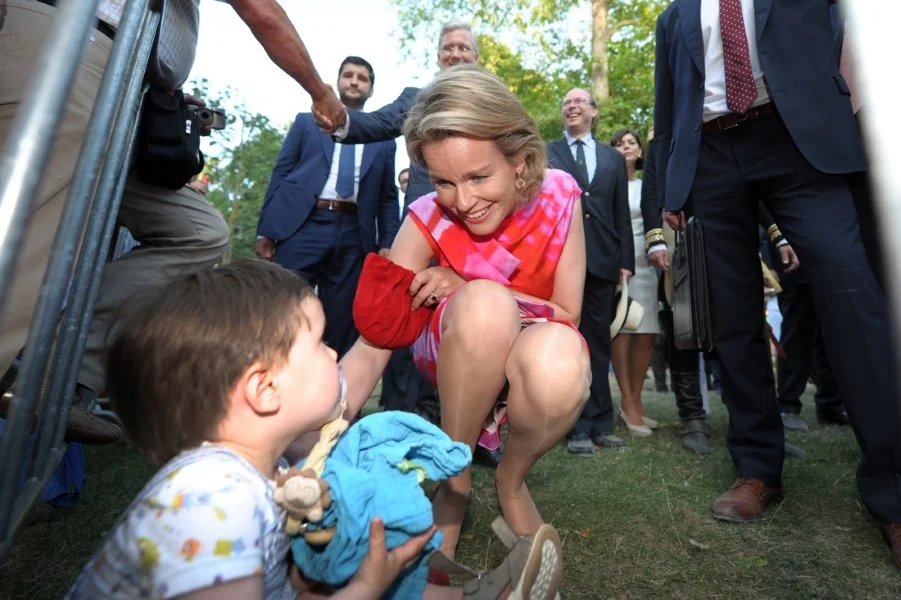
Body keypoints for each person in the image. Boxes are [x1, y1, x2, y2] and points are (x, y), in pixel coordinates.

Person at [65, 260, 563, 600]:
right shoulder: (213, 503)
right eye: (320, 342)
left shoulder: (256, 471)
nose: (331, 354)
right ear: (264, 390)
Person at [0, 0, 346, 444]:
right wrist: (320, 91)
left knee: (199, 232)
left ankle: (56, 367)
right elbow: (262, 13)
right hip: (72, 43)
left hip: (130, 87)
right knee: (25, 220)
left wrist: (163, 94)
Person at [653, 0, 901, 560]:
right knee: (734, 318)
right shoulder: (673, 18)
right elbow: (667, 111)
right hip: (709, 157)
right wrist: (669, 192)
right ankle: (757, 468)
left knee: (849, 293)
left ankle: (894, 489)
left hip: (800, 147)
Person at [382, 64, 589, 559]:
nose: (464, 201)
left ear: (519, 159)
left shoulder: (561, 195)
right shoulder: (428, 212)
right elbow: (382, 321)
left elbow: (567, 313)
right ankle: (452, 485)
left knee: (559, 362)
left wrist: (473, 279)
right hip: (457, 342)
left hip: (534, 339)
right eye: (444, 182)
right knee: (485, 307)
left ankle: (510, 480)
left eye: (478, 176)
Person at [320, 22, 504, 468]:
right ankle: (401, 418)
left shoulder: (492, 100)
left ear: (476, 57)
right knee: (404, 319)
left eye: (464, 47)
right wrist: (339, 117)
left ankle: (472, 430)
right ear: (438, 55)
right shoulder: (414, 97)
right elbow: (375, 123)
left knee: (477, 322)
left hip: (479, 231)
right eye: (449, 47)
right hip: (425, 228)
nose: (456, 53)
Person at [255, 56, 399, 357]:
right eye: (349, 75)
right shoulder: (306, 123)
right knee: (285, 306)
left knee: (341, 317)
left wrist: (387, 242)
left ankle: (336, 395)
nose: (355, 81)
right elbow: (280, 173)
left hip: (353, 234)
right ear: (338, 82)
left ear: (371, 90)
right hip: (302, 224)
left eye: (363, 77)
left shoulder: (384, 140)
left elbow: (387, 196)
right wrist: (265, 230)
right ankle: (277, 379)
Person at [546, 89, 633, 454]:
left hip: (603, 263)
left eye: (580, 102)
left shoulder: (612, 159)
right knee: (569, 344)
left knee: (599, 343)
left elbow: (621, 215)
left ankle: (601, 423)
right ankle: (575, 428)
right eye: (566, 102)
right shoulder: (548, 153)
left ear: (594, 112)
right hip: (563, 262)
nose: (572, 106)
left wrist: (625, 263)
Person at [608, 128, 660, 437]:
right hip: (621, 266)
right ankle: (627, 402)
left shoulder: (647, 186)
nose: (626, 147)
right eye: (619, 143)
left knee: (647, 333)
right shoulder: (609, 182)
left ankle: (637, 401)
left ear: (640, 152)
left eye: (631, 143)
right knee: (624, 330)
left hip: (649, 264)